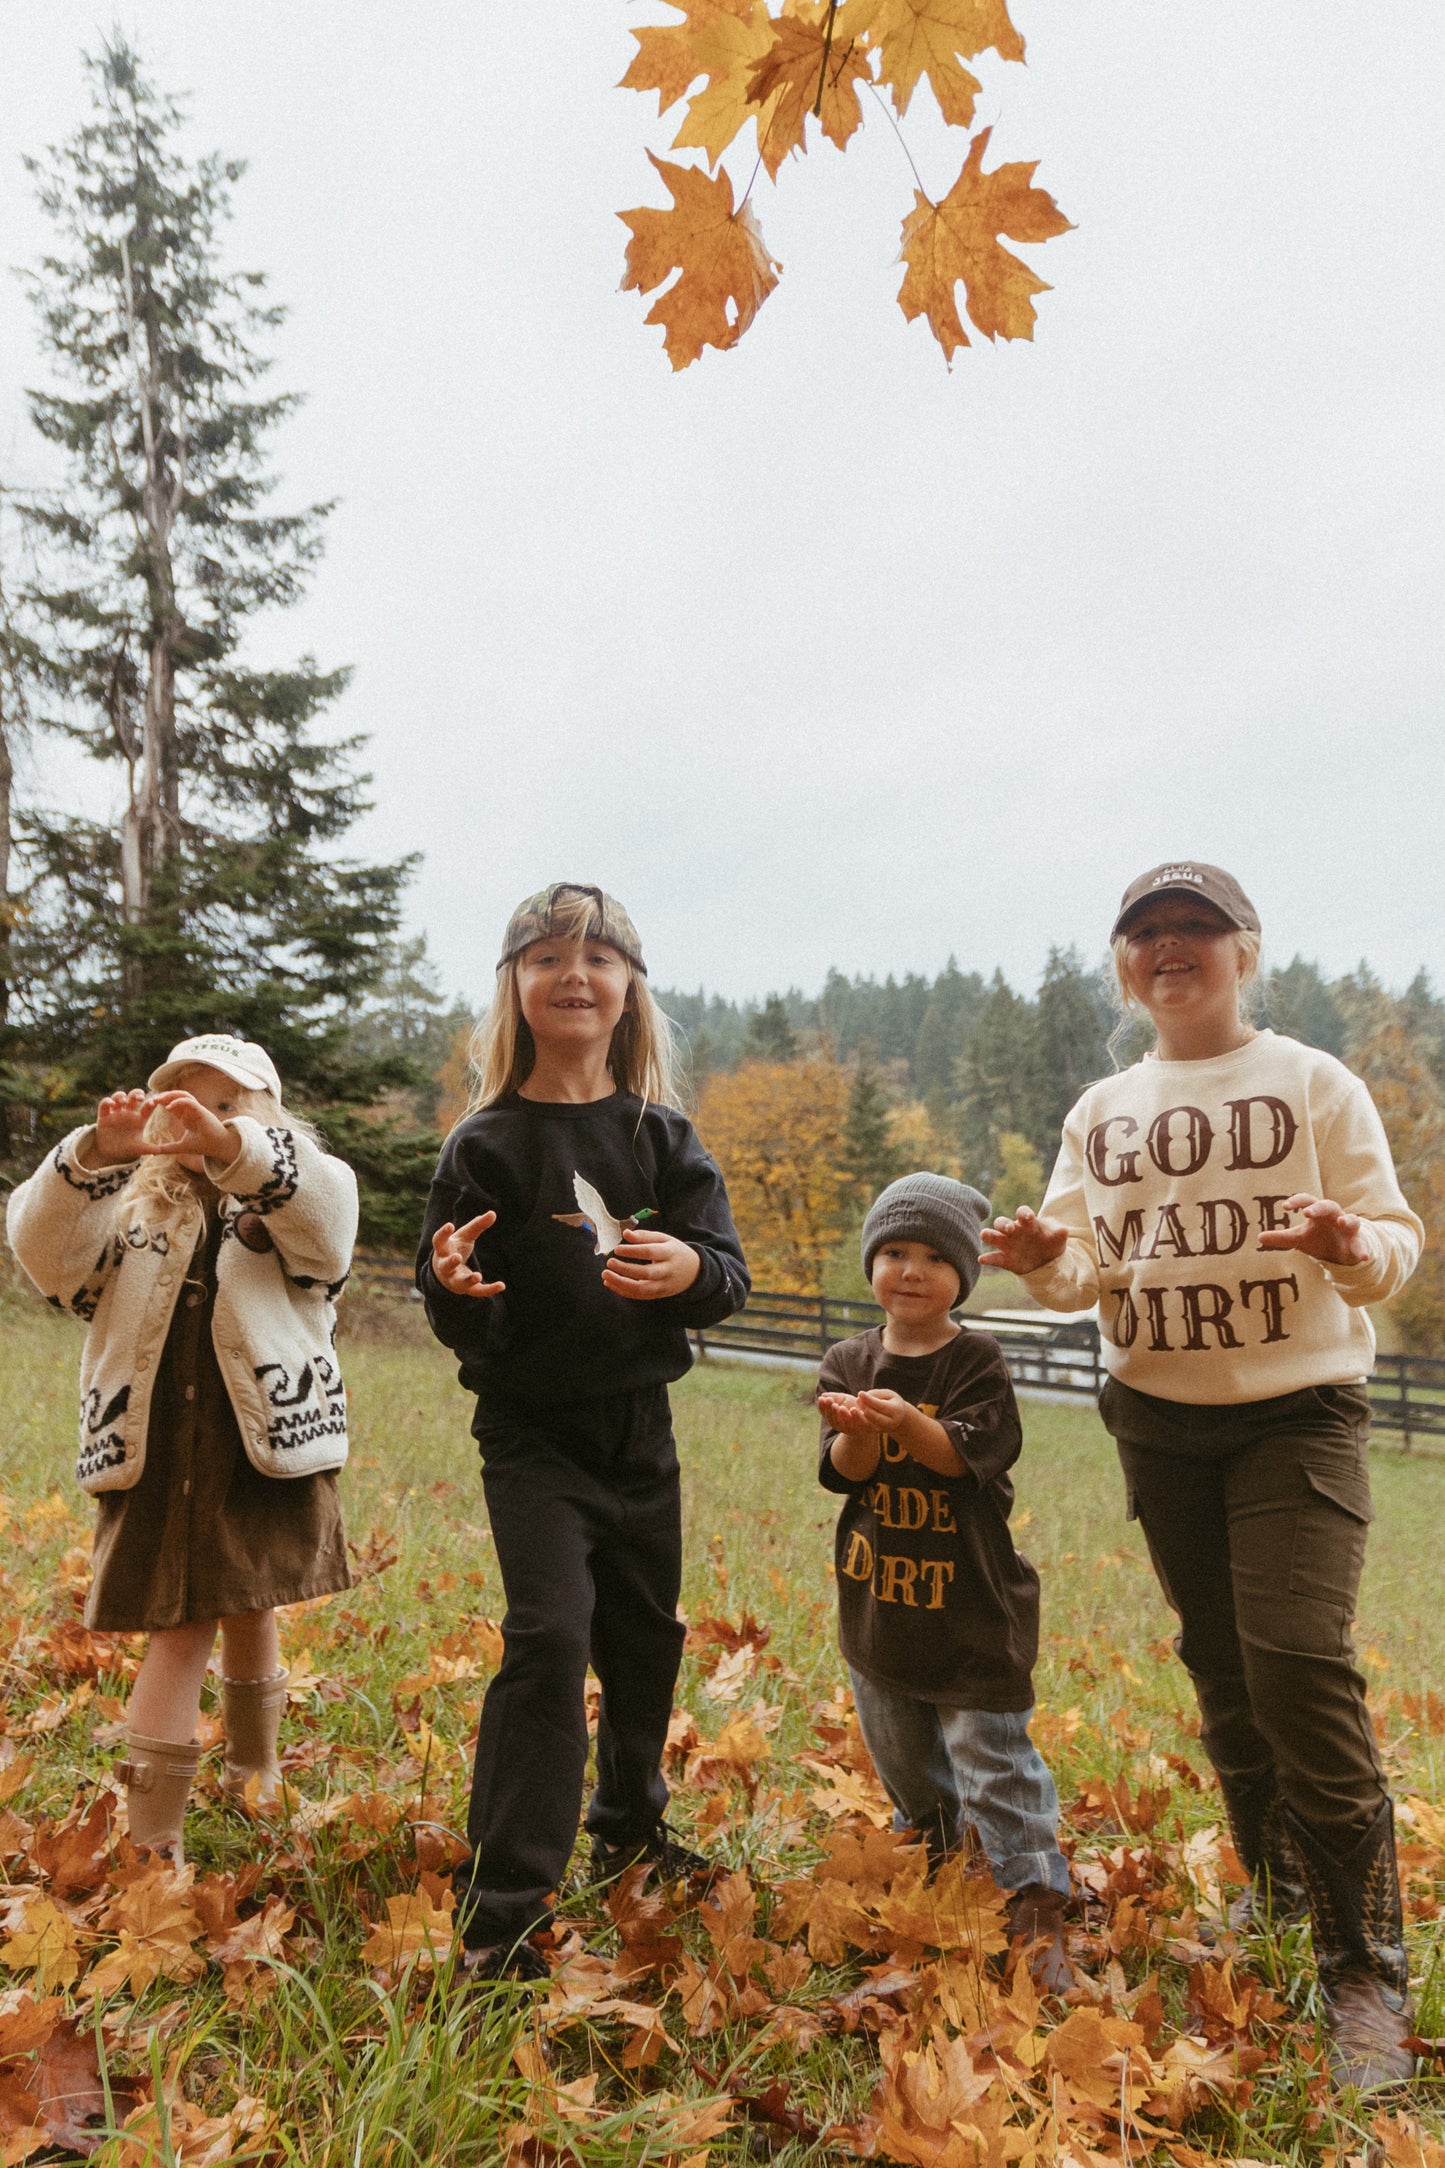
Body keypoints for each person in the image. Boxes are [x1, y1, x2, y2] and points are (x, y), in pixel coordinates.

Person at [983, 861, 1424, 2090]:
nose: (1169, 948)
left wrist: (1349, 1242)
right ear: (1123, 963)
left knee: (1297, 1659)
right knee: (1222, 1664)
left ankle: (1362, 1964)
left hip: (1297, 1416)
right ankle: (1278, 1898)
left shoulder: (1310, 1082)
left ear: (1245, 950)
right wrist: (1035, 1258)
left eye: (1196, 929)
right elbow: (1086, 1272)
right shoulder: (1101, 1108)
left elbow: (1393, 1238)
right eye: (1145, 933)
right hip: (1156, 1419)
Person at [416, 882, 750, 1982]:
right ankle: (504, 1909)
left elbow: (728, 1274)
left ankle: (630, 1822)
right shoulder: (486, 1145)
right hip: (530, 1436)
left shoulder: (660, 1137)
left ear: (628, 991)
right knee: (551, 1636)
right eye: (547, 954)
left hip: (639, 1432)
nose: (574, 972)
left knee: (646, 1635)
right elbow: (459, 1307)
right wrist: (457, 1287)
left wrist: (691, 1266)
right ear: (513, 985)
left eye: (598, 955)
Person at [6, 1034, 357, 1861]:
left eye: (228, 1105)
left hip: (262, 1437)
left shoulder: (297, 1197)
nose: (201, 1120)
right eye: (183, 1105)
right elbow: (41, 1249)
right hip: (155, 1445)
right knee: (180, 1625)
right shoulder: (130, 1212)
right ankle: (153, 1847)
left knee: (251, 1595)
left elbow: (330, 1224)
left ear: (267, 1118)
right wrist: (95, 1153)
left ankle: (254, 1768)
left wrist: (234, 1145)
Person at [817, 1172, 1074, 1993]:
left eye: (933, 1256)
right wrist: (857, 1431)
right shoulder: (846, 1360)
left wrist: (903, 1421)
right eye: (893, 1251)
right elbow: (844, 1472)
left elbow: (960, 1456)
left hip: (970, 1606)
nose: (911, 1270)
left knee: (990, 1757)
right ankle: (932, 1852)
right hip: (879, 1605)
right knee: (903, 1756)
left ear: (963, 1272)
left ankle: (1033, 1893)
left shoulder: (977, 1360)